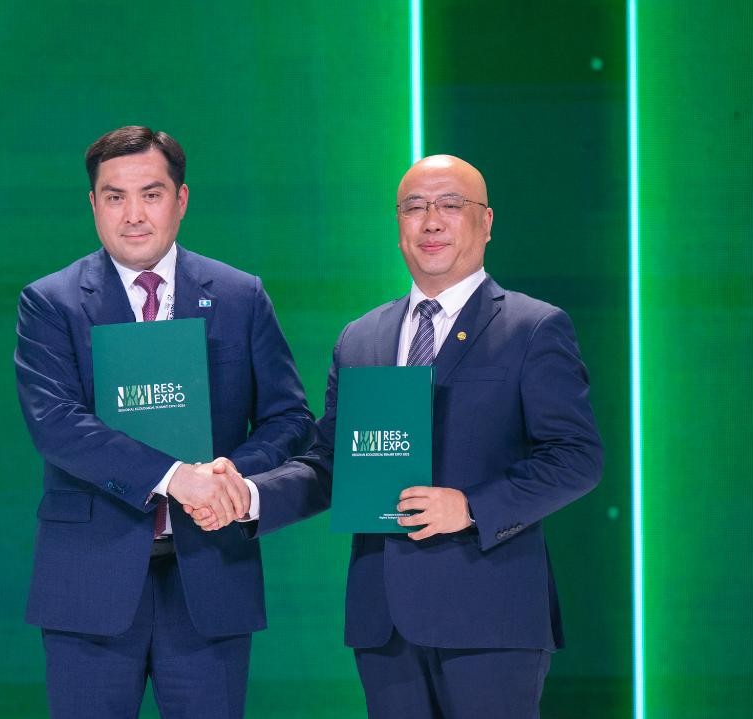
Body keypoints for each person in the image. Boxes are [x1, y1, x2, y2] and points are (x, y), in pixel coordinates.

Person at [193, 154, 602, 718]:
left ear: (486, 221)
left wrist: (471, 507)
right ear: (399, 225)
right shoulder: (361, 338)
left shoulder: (532, 327)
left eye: (450, 205)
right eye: (414, 207)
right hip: (383, 621)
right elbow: (331, 463)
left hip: (490, 617)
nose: (431, 221)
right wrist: (250, 495)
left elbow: (577, 457)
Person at [14, 125, 313, 718]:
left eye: (151, 194)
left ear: (181, 200)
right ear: (93, 204)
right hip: (90, 579)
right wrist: (178, 478)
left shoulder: (241, 296)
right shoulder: (51, 302)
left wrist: (227, 479)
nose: (133, 214)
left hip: (209, 574)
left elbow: (289, 418)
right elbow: (57, 424)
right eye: (114, 197)